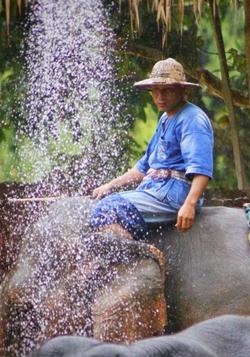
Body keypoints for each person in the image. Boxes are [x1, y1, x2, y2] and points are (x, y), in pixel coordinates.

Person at [89, 58, 214, 239]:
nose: (160, 97)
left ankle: (136, 259)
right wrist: (110, 186)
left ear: (183, 90)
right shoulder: (165, 118)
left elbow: (201, 168)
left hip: (173, 195)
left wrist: (189, 205)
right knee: (102, 204)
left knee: (110, 208)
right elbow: (143, 168)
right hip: (154, 189)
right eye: (155, 91)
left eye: (167, 90)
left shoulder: (192, 119)